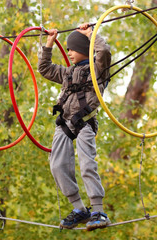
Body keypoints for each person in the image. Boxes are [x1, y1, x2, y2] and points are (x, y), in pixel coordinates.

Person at [38, 22, 111, 231]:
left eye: (72, 49)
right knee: (57, 165)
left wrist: (90, 34)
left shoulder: (99, 69)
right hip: (65, 123)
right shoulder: (67, 73)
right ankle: (79, 209)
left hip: (85, 122)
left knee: (87, 164)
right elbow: (44, 68)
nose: (69, 53)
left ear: (83, 48)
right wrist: (49, 43)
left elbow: (104, 50)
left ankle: (98, 209)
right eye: (68, 48)